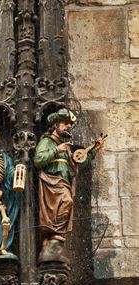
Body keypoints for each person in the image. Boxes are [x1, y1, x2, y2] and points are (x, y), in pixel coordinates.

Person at [34, 108, 104, 263]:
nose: (68, 126)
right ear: (55, 125)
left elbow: (77, 162)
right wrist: (56, 149)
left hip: (63, 183)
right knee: (66, 202)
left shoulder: (66, 147)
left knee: (65, 204)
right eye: (65, 123)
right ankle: (54, 237)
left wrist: (93, 151)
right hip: (51, 184)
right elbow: (38, 160)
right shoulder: (47, 142)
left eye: (70, 124)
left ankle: (51, 242)